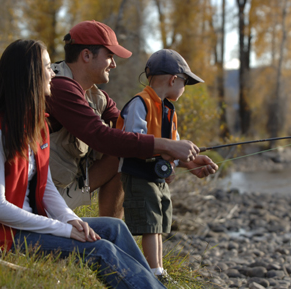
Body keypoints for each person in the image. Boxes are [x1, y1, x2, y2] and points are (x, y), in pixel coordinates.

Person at [0, 39, 232, 289]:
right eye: (47, 67)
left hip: (31, 223)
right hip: (1, 235)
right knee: (100, 250)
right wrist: (64, 230)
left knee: (114, 229)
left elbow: (46, 187)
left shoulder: (36, 127)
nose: (52, 72)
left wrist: (71, 220)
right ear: (28, 75)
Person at [46, 21, 213, 218]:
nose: (114, 64)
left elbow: (130, 136)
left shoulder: (96, 96)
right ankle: (111, 231)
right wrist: (167, 146)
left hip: (63, 188)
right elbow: (102, 137)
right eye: (109, 56)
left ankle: (111, 230)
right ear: (86, 55)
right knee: (123, 151)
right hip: (44, 198)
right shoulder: (59, 87)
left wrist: (182, 160)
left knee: (127, 148)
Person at [116, 49, 218, 281]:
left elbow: (172, 150)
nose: (184, 88)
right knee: (150, 223)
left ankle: (160, 268)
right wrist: (167, 153)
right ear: (174, 79)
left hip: (157, 178)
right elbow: (133, 142)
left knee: (160, 222)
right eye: (185, 82)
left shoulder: (169, 111)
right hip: (139, 175)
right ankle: (154, 272)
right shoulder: (139, 104)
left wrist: (192, 164)